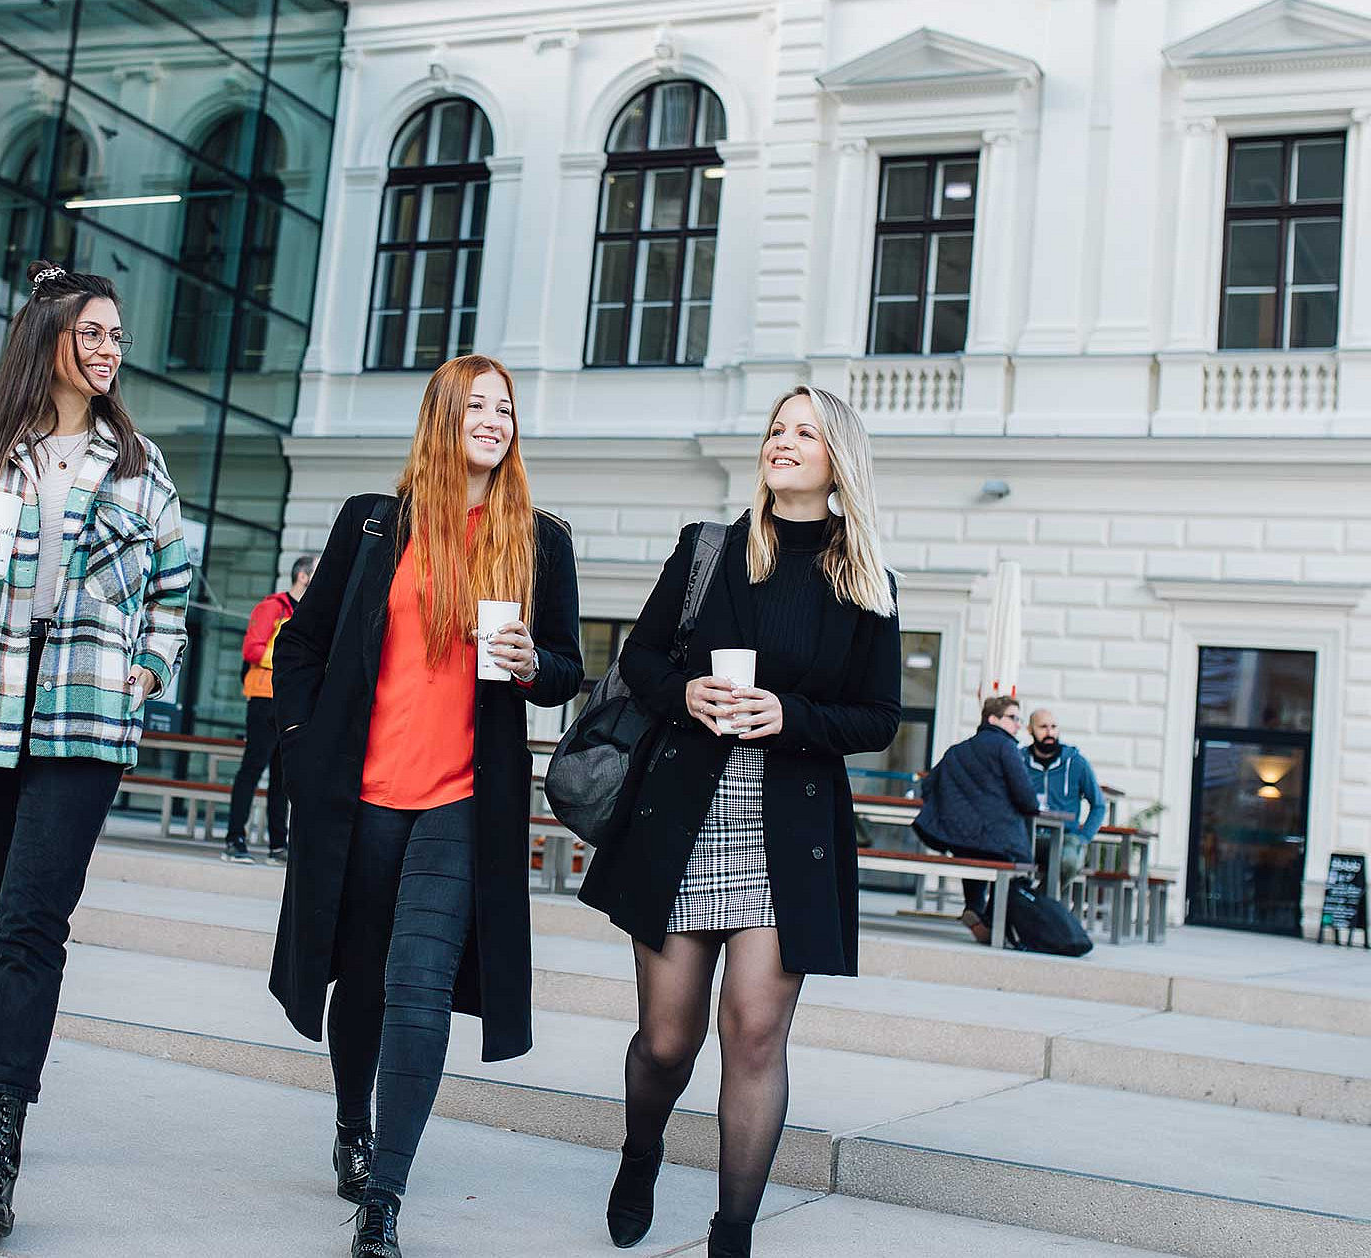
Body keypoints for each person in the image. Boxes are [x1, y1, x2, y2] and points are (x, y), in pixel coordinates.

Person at [0, 262, 190, 1241]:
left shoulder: (140, 463)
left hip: (85, 718)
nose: (108, 350)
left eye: (116, 337)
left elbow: (175, 595)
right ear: (46, 335)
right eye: (92, 333)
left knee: (30, 924)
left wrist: (146, 671)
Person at [269, 354, 583, 1258]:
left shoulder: (539, 538)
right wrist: (301, 747)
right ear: (443, 417)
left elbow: (566, 664)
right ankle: (350, 1126)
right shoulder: (373, 523)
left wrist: (532, 664)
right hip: (363, 792)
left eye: (506, 408)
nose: (495, 419)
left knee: (419, 986)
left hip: (463, 801)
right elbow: (304, 645)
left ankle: (385, 1198)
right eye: (477, 404)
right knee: (361, 978)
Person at [578, 386, 901, 1258]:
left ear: (838, 460)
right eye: (776, 428)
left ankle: (733, 1235)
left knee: (755, 1033)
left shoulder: (865, 578)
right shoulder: (707, 550)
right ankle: (640, 1153)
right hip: (682, 819)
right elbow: (639, 658)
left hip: (787, 835)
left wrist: (789, 715)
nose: (782, 442)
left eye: (804, 431)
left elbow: (878, 718)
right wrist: (683, 691)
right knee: (667, 1039)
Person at [914, 696, 1037, 944]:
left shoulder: (957, 750)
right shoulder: (1006, 747)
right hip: (998, 840)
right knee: (1016, 864)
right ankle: (993, 921)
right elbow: (1026, 798)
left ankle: (974, 909)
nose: (1018, 725)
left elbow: (928, 786)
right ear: (993, 719)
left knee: (972, 851)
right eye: (1013, 718)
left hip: (961, 837)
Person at [224, 554, 317, 864]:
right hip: (265, 698)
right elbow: (252, 648)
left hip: (293, 702)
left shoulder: (308, 612)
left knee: (283, 776)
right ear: (303, 576)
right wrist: (292, 659)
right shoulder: (273, 608)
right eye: (317, 572)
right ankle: (235, 839)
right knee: (252, 769)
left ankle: (278, 844)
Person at [1024, 707, 1106, 885]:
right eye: (1043, 727)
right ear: (1029, 730)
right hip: (1026, 834)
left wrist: (1083, 838)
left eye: (1053, 727)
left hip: (1064, 837)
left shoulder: (1076, 762)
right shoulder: (1018, 760)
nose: (1049, 732)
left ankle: (1039, 904)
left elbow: (1099, 805)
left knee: (1069, 859)